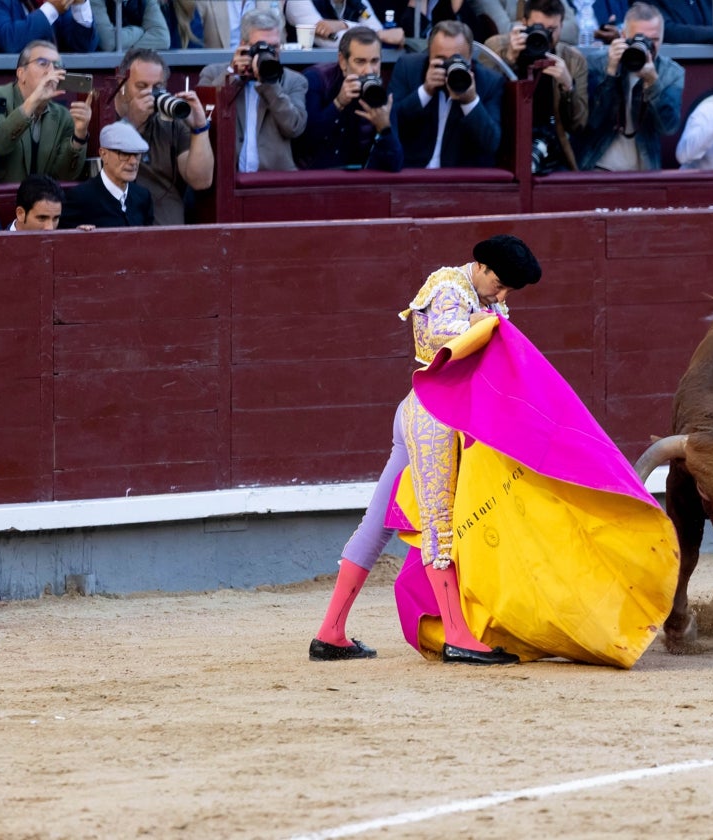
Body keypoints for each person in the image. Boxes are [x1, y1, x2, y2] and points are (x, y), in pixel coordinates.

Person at [310, 234, 542, 665]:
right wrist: (489, 324)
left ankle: (330, 633)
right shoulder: (449, 286)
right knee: (440, 520)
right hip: (433, 416)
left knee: (378, 522)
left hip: (437, 414)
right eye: (501, 284)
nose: (503, 295)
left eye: (510, 290)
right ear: (483, 267)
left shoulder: (490, 304)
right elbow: (440, 334)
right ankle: (456, 634)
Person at [199, 7, 309, 173]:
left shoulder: (294, 81)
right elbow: (203, 118)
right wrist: (232, 75)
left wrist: (270, 84)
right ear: (243, 45)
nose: (269, 53)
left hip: (273, 180)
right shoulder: (213, 74)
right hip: (226, 177)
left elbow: (294, 127)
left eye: (274, 47)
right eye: (262, 46)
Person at [483, 0, 588, 173]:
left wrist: (568, 86)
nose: (545, 35)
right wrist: (509, 60)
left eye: (552, 30)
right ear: (524, 23)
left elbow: (578, 125)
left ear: (562, 25)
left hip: (551, 147)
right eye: (538, 28)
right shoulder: (496, 48)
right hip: (504, 144)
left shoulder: (573, 60)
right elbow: (484, 105)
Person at [577, 3, 683, 171]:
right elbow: (591, 122)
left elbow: (668, 127)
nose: (647, 46)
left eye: (654, 40)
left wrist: (653, 84)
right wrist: (610, 72)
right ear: (624, 35)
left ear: (663, 37)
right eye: (640, 38)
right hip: (598, 167)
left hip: (643, 173)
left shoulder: (671, 73)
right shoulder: (598, 62)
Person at [114, 47, 213, 225]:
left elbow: (201, 181)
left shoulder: (172, 123)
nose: (151, 94)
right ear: (122, 84)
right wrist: (132, 123)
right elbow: (109, 173)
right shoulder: (105, 115)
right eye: (142, 86)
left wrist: (199, 127)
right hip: (120, 225)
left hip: (168, 229)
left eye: (157, 87)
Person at [387, 21, 504, 169]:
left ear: (470, 58)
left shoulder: (489, 82)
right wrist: (425, 91)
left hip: (458, 181)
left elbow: (492, 143)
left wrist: (470, 101)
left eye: (457, 59)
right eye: (441, 59)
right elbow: (390, 125)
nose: (449, 65)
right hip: (413, 173)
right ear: (429, 55)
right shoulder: (409, 68)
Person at [0, 40, 90, 184]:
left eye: (57, 66)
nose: (51, 71)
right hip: (1, 201)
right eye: (43, 63)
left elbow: (65, 176)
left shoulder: (63, 116)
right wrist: (34, 100)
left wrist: (79, 136)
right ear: (21, 73)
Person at [297, 28, 404, 171]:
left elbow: (394, 166)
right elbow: (304, 144)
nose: (369, 70)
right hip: (318, 180)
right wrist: (338, 104)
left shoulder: (380, 93)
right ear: (342, 61)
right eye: (360, 62)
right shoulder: (317, 80)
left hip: (360, 182)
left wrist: (384, 128)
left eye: (374, 61)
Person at [61, 121, 155, 227]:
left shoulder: (143, 196)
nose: (133, 162)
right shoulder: (80, 197)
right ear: (103, 154)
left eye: (137, 154)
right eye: (124, 154)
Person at [0, 0, 99, 53]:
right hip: (10, 85)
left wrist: (79, 5)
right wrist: (51, 9)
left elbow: (84, 46)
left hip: (58, 84)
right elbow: (9, 41)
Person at [283, 0, 407, 48]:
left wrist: (343, 25)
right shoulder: (299, 2)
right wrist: (379, 35)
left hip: (353, 71)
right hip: (309, 73)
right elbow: (335, 41)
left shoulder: (358, 2)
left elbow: (376, 30)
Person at [196, 0, 282, 49]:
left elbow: (281, 42)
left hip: (263, 72)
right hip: (220, 71)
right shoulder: (203, 2)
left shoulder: (271, 2)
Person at [90, 0, 171, 51]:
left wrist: (124, 50)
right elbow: (109, 42)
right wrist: (139, 31)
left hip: (137, 67)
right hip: (101, 69)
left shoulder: (147, 1)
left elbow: (162, 39)